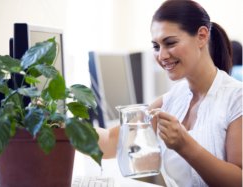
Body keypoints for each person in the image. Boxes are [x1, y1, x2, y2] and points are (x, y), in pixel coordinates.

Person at [96, 0, 242, 186]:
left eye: (170, 43)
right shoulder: (174, 97)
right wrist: (62, 123)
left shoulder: (236, 98)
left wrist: (185, 145)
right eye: (156, 46)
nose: (162, 56)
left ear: (202, 36)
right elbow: (111, 142)